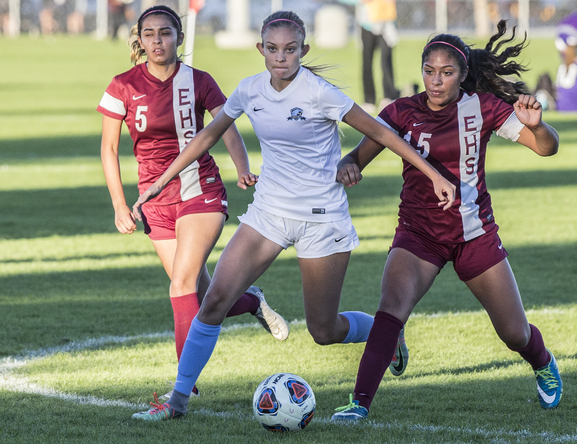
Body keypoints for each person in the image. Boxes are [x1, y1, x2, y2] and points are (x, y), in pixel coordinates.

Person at [129, 10, 456, 421]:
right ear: (260, 50)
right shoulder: (250, 90)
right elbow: (208, 135)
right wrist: (161, 181)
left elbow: (382, 133)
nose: (280, 57)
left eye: (289, 49)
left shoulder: (319, 92)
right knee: (212, 301)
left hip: (322, 219)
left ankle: (384, 331)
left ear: (304, 50)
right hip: (268, 213)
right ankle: (176, 401)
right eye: (272, 49)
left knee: (324, 330)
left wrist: (432, 174)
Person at [331, 20, 562, 422]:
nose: (436, 81)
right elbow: (356, 157)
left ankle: (542, 360)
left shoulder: (484, 107)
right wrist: (349, 167)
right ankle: (359, 404)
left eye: (447, 72)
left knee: (514, 334)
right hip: (419, 234)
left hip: (475, 234)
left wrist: (537, 126)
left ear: (463, 74)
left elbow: (547, 149)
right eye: (429, 71)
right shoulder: (400, 112)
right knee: (390, 309)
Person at [98, 5, 289, 401]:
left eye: (165, 33)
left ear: (179, 37)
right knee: (200, 298)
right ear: (139, 39)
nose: (157, 40)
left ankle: (182, 388)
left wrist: (242, 168)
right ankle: (251, 301)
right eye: (149, 34)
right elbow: (109, 148)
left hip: (200, 190)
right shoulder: (121, 85)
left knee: (180, 285)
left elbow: (226, 126)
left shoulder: (197, 80)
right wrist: (120, 204)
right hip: (154, 200)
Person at [339, 0, 400, 113]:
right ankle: (369, 100)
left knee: (386, 62)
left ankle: (389, 97)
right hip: (367, 24)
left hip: (387, 23)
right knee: (367, 63)